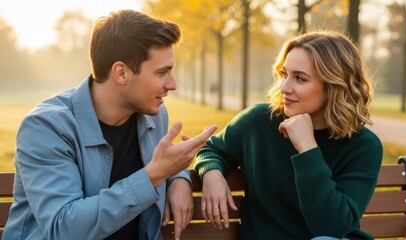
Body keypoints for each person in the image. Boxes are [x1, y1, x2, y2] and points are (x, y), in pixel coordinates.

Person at [3, 9, 217, 240]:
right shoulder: (46, 128)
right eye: (162, 72)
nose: (172, 84)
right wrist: (154, 175)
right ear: (121, 72)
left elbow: (161, 161)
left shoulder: (154, 115)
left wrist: (179, 178)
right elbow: (63, 228)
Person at [194, 30, 383, 240]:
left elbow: (331, 228)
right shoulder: (259, 121)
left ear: (333, 86)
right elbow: (211, 148)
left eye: (300, 79)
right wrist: (212, 173)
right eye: (285, 74)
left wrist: (308, 149)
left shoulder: (364, 146)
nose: (284, 87)